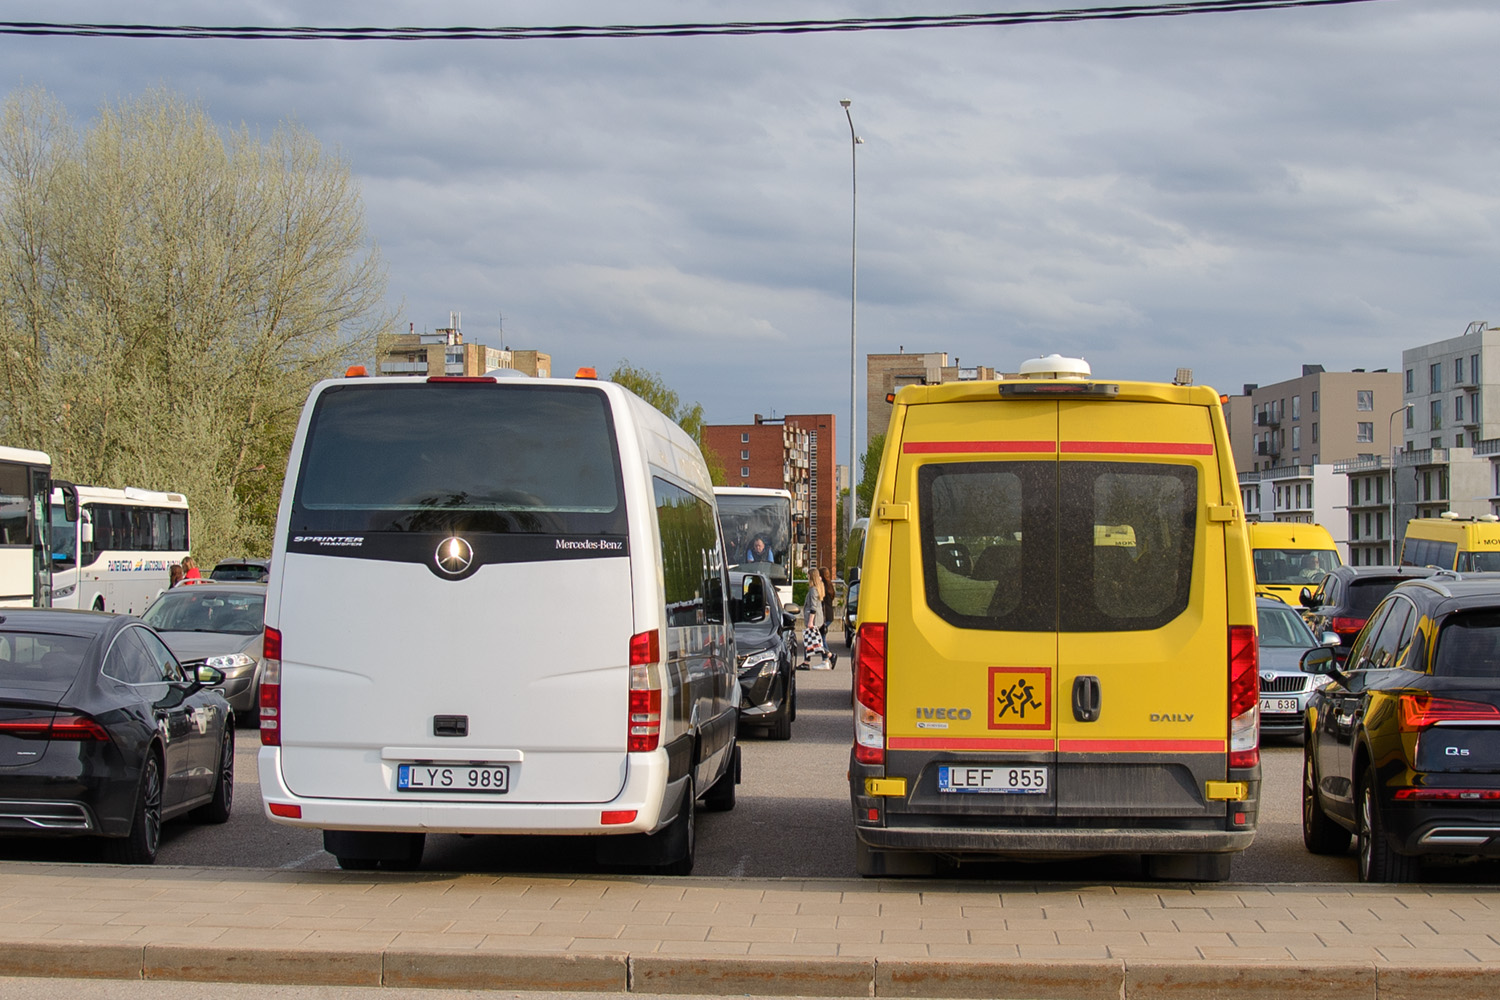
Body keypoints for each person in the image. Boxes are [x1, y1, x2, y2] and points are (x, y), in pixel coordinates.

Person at [802, 567, 832, 669]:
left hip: (814, 620)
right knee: (815, 641)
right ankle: (808, 661)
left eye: (808, 575)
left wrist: (810, 621)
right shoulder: (818, 588)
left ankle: (829, 656)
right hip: (818, 619)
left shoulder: (813, 590)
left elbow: (813, 607)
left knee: (813, 641)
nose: (807, 577)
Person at [819, 566, 838, 669]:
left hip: (825, 616)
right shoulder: (830, 585)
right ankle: (825, 659)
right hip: (829, 615)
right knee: (822, 638)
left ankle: (829, 657)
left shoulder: (823, 587)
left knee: (820, 639)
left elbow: (822, 603)